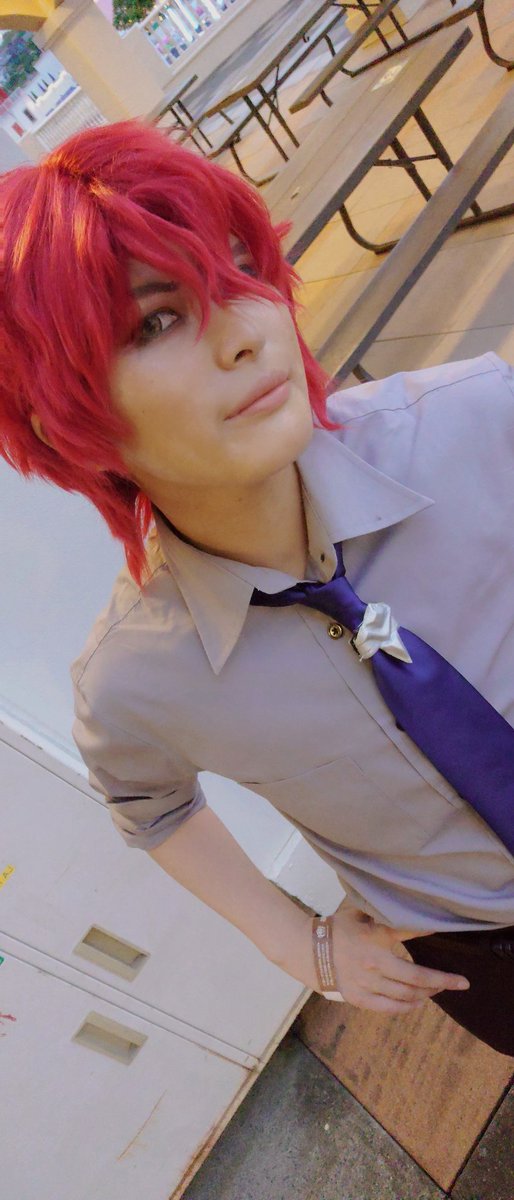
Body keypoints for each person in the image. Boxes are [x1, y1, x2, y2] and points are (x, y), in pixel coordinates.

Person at [1, 120, 513, 1057]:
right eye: (157, 321)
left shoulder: (474, 423)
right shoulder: (139, 678)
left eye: (239, 272)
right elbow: (150, 804)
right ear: (59, 415)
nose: (244, 331)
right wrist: (298, 945)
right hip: (489, 955)